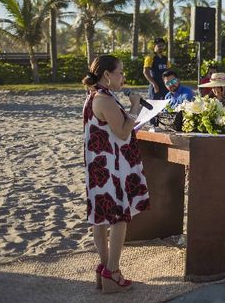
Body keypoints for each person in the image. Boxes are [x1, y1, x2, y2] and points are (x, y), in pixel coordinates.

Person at [82, 55, 150, 293]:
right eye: (120, 72)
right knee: (118, 219)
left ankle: (104, 269)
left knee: (100, 218)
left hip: (99, 165)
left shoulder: (95, 96)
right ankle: (113, 271)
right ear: (107, 75)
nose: (123, 77)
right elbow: (122, 133)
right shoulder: (104, 99)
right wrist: (134, 107)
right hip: (110, 167)